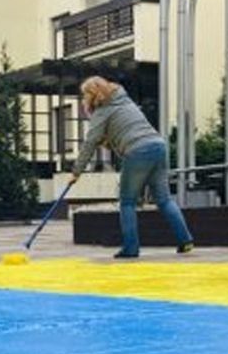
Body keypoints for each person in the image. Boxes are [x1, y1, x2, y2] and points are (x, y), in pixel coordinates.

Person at [68, 77, 194, 259]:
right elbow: (125, 131)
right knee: (164, 200)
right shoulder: (124, 100)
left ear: (92, 94)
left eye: (84, 95)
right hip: (158, 146)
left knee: (127, 201)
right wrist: (110, 142)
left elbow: (90, 143)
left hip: (138, 151)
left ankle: (131, 248)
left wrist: (76, 172)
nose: (83, 99)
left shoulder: (102, 112)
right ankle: (185, 240)